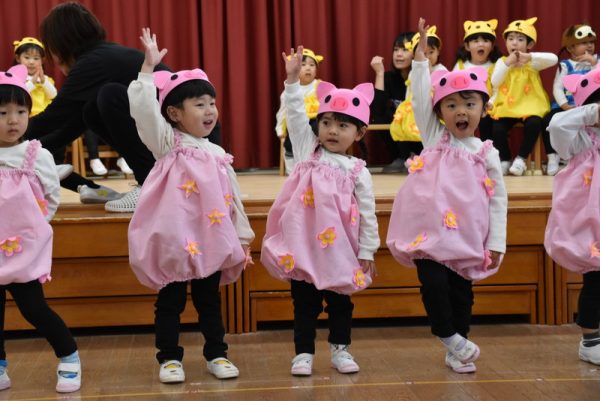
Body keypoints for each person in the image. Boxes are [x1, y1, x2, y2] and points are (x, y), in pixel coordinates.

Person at [127, 28, 254, 384]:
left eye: (211, 103)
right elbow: (144, 113)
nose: (209, 110)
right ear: (174, 113)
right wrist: (147, 70)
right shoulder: (168, 143)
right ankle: (169, 359)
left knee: (209, 301)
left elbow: (233, 198)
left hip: (209, 241)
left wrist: (243, 236)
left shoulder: (217, 154)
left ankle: (217, 353)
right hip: (175, 242)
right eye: (199, 104)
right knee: (170, 302)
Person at [386, 18, 507, 374]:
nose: (461, 111)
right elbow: (420, 98)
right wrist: (420, 60)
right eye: (451, 105)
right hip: (430, 235)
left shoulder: (487, 153)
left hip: (467, 235)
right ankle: (449, 336)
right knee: (434, 284)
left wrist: (496, 241)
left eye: (469, 103)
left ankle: (457, 348)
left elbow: (498, 200)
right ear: (439, 113)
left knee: (461, 293)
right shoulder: (434, 138)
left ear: (484, 109)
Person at [261, 46, 380, 376]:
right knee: (304, 303)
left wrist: (368, 249)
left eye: (342, 125)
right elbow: (296, 114)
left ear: (359, 133)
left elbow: (368, 214)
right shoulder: (306, 151)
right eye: (326, 122)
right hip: (304, 247)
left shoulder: (358, 171)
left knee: (341, 301)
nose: (332, 130)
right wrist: (291, 81)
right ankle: (303, 353)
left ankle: (341, 350)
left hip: (341, 250)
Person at [23, 2, 173, 211]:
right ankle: (131, 183)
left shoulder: (92, 63)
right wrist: (30, 151)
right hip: (170, 136)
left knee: (109, 95)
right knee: (91, 111)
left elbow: (53, 118)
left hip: (180, 139)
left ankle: (149, 182)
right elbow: (72, 126)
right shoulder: (101, 56)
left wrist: (9, 136)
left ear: (60, 44)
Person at [0, 65, 81, 393]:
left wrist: (35, 226)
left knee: (34, 308)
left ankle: (69, 355)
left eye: (21, 112)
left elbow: (51, 195)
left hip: (23, 248)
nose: (13, 120)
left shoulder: (36, 154)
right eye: (3, 113)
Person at [545, 66, 600, 366]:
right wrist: (591, 114)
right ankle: (590, 341)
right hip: (591, 225)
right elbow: (556, 126)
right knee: (596, 280)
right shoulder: (581, 141)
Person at [489, 17, 558, 175]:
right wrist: (507, 64)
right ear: (506, 42)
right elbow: (495, 81)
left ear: (529, 45)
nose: (514, 43)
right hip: (507, 107)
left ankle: (521, 159)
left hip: (530, 107)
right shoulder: (502, 62)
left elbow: (553, 59)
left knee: (534, 124)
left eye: (520, 39)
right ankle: (505, 159)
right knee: (498, 128)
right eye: (510, 39)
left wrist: (531, 57)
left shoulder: (533, 63)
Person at [13, 36, 75, 181]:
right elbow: (20, 95)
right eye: (27, 57)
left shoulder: (47, 79)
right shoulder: (16, 78)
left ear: (42, 61)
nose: (31, 62)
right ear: (18, 58)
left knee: (59, 134)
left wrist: (43, 81)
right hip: (28, 120)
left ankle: (56, 164)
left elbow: (54, 95)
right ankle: (37, 168)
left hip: (47, 118)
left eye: (36, 58)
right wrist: (33, 83)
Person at [387, 26, 447, 171]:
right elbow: (411, 90)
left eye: (431, 52)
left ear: (438, 52)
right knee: (402, 127)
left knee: (425, 132)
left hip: (432, 108)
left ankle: (428, 156)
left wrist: (429, 72)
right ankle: (406, 156)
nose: (427, 57)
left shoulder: (441, 70)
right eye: (423, 53)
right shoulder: (414, 71)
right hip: (413, 107)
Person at [542, 24, 598, 176]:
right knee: (548, 120)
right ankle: (553, 156)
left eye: (591, 42)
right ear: (571, 48)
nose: (589, 46)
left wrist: (594, 64)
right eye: (584, 43)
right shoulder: (565, 65)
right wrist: (565, 106)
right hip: (568, 106)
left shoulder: (597, 62)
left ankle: (584, 154)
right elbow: (557, 88)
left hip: (589, 107)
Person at [370, 32, 415, 173]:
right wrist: (380, 74)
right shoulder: (389, 77)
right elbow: (377, 110)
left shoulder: (422, 76)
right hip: (399, 135)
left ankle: (417, 156)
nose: (399, 54)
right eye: (396, 50)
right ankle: (401, 158)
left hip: (419, 132)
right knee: (382, 117)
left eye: (405, 50)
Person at [453, 19, 503, 141]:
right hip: (466, 107)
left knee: (488, 121)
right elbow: (453, 89)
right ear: (467, 46)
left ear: (492, 46)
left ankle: (488, 148)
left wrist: (490, 103)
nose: (481, 44)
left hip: (490, 107)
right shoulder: (460, 66)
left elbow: (499, 90)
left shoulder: (497, 66)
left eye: (485, 41)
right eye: (475, 41)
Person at [275, 48, 322, 175]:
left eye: (312, 65)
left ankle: (319, 166)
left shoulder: (321, 86)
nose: (308, 68)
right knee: (289, 143)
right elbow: (283, 112)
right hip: (297, 126)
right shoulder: (288, 91)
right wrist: (280, 129)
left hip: (317, 122)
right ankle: (293, 172)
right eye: (303, 65)